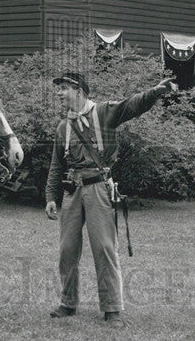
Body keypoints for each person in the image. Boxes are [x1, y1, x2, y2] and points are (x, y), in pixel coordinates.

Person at [45, 71, 177, 327]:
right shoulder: (63, 127)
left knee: (104, 248)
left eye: (63, 89)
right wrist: (51, 196)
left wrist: (157, 91)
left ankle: (112, 308)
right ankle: (68, 303)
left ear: (78, 90)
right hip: (71, 191)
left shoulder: (104, 113)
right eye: (58, 89)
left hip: (98, 188)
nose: (59, 94)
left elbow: (133, 105)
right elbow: (55, 165)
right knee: (67, 250)